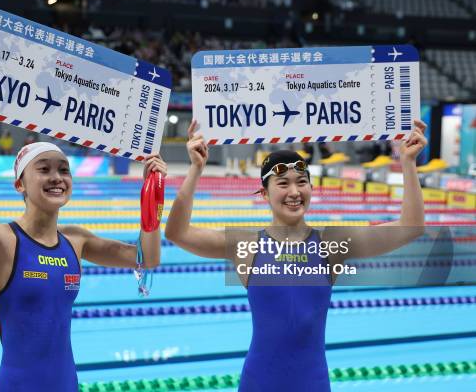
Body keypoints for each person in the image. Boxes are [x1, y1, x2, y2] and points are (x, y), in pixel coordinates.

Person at [0, 82, 167, 392]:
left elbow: (148, 258)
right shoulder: (1, 240)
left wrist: (151, 192)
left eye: (64, 170)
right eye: (44, 169)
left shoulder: (76, 241)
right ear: (20, 185)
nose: (57, 178)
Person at [165, 119, 428, 391]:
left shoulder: (332, 244)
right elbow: (176, 233)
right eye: (283, 183)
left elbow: (410, 228)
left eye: (302, 182)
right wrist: (195, 169)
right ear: (264, 194)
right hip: (259, 382)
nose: (294, 192)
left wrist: (408, 163)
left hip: (312, 383)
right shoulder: (247, 246)